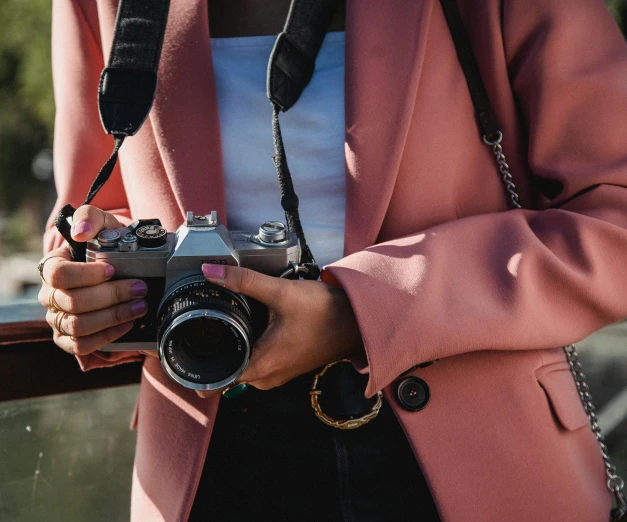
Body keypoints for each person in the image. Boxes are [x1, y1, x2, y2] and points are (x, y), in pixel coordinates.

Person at [38, 0, 627, 520]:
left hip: (482, 461)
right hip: (204, 457)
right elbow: (88, 209)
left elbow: (613, 219)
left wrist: (363, 310)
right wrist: (83, 284)